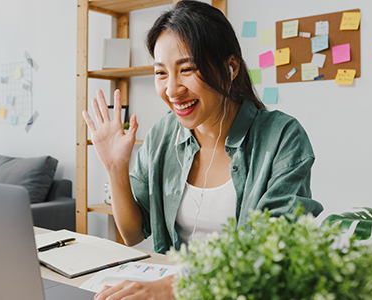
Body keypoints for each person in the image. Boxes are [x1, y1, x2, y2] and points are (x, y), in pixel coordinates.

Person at [82, 1, 323, 299]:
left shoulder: (282, 137)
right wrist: (115, 168)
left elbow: (275, 252)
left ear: (230, 67)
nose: (172, 89)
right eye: (161, 73)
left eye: (187, 69)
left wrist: (168, 289)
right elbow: (133, 234)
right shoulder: (162, 134)